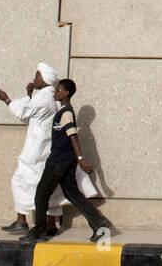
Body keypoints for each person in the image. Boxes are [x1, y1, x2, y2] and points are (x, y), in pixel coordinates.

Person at [0, 63, 97, 235]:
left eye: (37, 76)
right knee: (51, 188)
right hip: (48, 148)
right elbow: (33, 113)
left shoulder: (45, 98)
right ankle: (50, 224)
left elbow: (24, 113)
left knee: (22, 181)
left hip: (37, 148)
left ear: (44, 79)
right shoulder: (50, 97)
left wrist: (7, 99)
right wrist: (29, 94)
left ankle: (25, 221)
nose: (34, 79)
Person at [29, 78, 112, 242]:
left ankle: (39, 231)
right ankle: (99, 222)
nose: (56, 92)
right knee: (72, 193)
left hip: (59, 160)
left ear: (66, 94)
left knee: (41, 194)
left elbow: (73, 137)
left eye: (59, 90)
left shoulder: (66, 113)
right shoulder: (63, 112)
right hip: (65, 160)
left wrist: (80, 159)